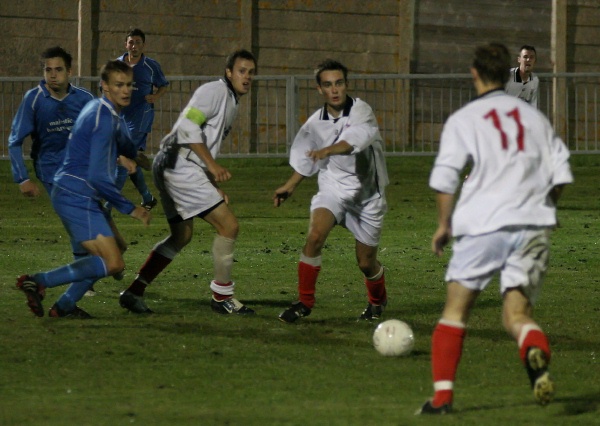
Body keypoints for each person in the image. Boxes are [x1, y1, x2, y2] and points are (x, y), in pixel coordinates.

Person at [416, 43, 573, 415]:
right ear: (507, 72)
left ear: (474, 74)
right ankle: (532, 346)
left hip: (485, 223)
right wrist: (545, 207)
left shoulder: (465, 119)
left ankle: (442, 399)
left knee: (454, 312)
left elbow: (445, 178)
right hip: (532, 224)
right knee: (516, 316)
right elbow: (562, 171)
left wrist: (443, 224)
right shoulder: (534, 118)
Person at [118, 49, 257, 315]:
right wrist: (213, 167)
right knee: (228, 226)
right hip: (179, 165)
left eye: (251, 72)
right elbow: (188, 128)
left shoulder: (230, 99)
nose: (247, 77)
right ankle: (222, 296)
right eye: (242, 71)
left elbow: (200, 140)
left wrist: (211, 182)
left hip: (174, 163)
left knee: (182, 235)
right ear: (228, 72)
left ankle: (135, 290)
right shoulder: (215, 91)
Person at [16, 60, 151, 318]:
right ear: (105, 87)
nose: (125, 90)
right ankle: (38, 281)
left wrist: (132, 155)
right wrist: (130, 208)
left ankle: (64, 306)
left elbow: (117, 142)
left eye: (129, 85)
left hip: (81, 194)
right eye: (118, 85)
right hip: (76, 196)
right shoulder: (103, 119)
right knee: (113, 263)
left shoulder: (104, 110)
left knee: (118, 249)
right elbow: (98, 176)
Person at [273, 59, 389, 323]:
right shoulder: (314, 124)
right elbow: (306, 159)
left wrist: (327, 150)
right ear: (319, 90)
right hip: (333, 188)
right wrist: (290, 186)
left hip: (367, 197)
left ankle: (377, 301)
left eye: (339, 83)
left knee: (366, 263)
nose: (335, 90)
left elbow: (352, 143)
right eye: (328, 85)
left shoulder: (361, 111)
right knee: (314, 236)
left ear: (346, 85)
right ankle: (304, 302)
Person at [9, 46, 94, 197]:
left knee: (92, 214)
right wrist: (22, 179)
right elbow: (15, 141)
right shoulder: (34, 99)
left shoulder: (84, 98)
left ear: (69, 72)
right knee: (78, 213)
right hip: (51, 170)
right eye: (48, 70)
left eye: (58, 70)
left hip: (82, 167)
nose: (53, 75)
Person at [115, 28, 169, 210]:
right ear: (126, 44)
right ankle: (147, 198)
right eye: (131, 42)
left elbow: (163, 85)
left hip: (141, 118)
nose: (134, 46)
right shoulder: (116, 65)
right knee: (129, 159)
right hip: (120, 119)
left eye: (138, 42)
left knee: (122, 159)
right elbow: (104, 87)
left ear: (143, 45)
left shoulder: (150, 66)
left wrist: (155, 96)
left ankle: (108, 204)